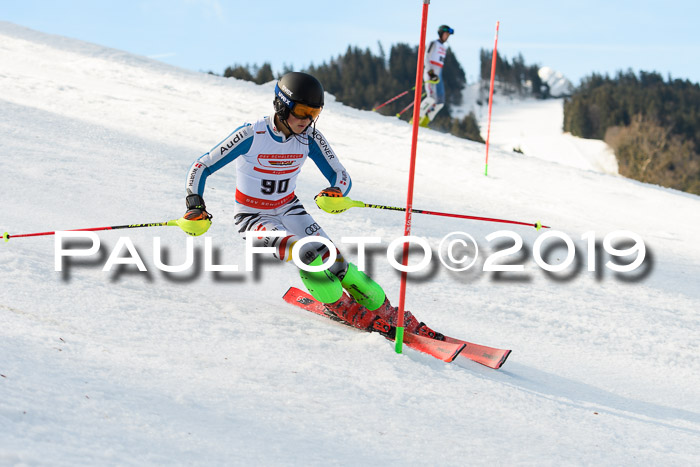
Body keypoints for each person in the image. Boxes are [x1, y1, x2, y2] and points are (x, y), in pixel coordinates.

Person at [181, 71, 442, 339]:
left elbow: (340, 175)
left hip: (290, 209)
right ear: (281, 105)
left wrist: (335, 191)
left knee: (337, 264)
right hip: (253, 217)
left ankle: (386, 311)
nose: (307, 121)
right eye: (302, 111)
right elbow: (202, 165)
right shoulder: (252, 134)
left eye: (314, 113)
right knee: (306, 255)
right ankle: (342, 307)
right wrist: (195, 204)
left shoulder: (310, 138)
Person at [417, 24, 454, 127]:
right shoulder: (433, 43)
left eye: (448, 35)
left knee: (440, 102)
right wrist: (431, 73)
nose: (447, 37)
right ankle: (416, 119)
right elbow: (426, 58)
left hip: (439, 76)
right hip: (430, 74)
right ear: (441, 34)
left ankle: (424, 122)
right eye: (446, 34)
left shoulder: (444, 48)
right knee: (432, 97)